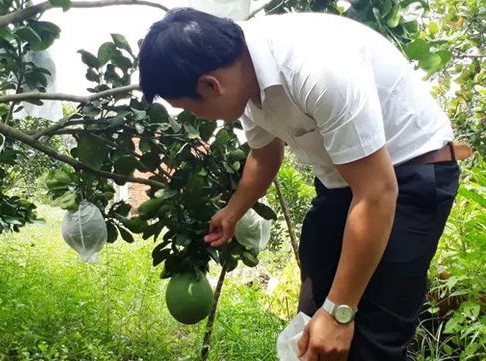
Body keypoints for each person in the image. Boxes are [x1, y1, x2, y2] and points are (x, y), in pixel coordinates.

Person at [137, 8, 469, 361]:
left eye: (188, 108)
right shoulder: (247, 79)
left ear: (209, 84)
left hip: (408, 178)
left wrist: (341, 311)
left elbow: (376, 192)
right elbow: (264, 156)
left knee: (369, 337)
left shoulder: (315, 68)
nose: (194, 117)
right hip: (344, 186)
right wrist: (233, 212)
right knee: (311, 322)